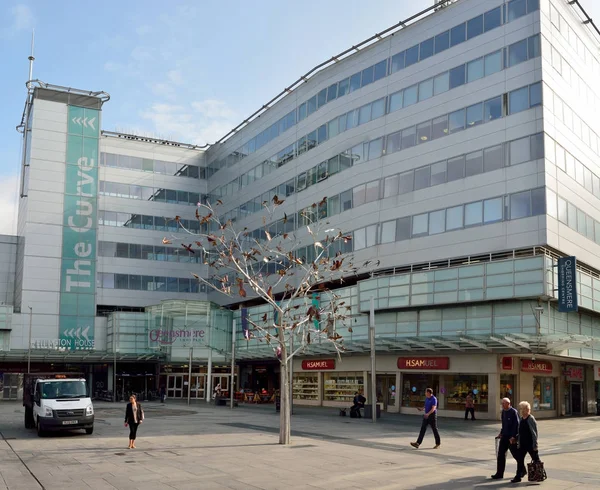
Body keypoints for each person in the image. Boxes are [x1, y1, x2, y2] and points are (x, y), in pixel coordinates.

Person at [512, 401, 540, 483]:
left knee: (536, 460)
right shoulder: (521, 419)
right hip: (522, 444)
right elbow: (520, 432)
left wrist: (535, 445)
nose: (521, 411)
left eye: (522, 409)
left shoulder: (530, 419)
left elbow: (534, 433)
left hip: (530, 444)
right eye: (520, 409)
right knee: (520, 460)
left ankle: (539, 474)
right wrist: (516, 438)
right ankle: (518, 476)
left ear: (527, 409)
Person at [491, 397, 520, 480]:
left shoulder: (514, 412)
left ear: (508, 403)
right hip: (504, 436)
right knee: (500, 455)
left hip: (511, 438)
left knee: (516, 455)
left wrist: (514, 437)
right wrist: (501, 433)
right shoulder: (503, 412)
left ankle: (522, 470)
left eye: (503, 403)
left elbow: (517, 425)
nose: (502, 405)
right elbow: (504, 425)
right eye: (502, 403)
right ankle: (499, 473)